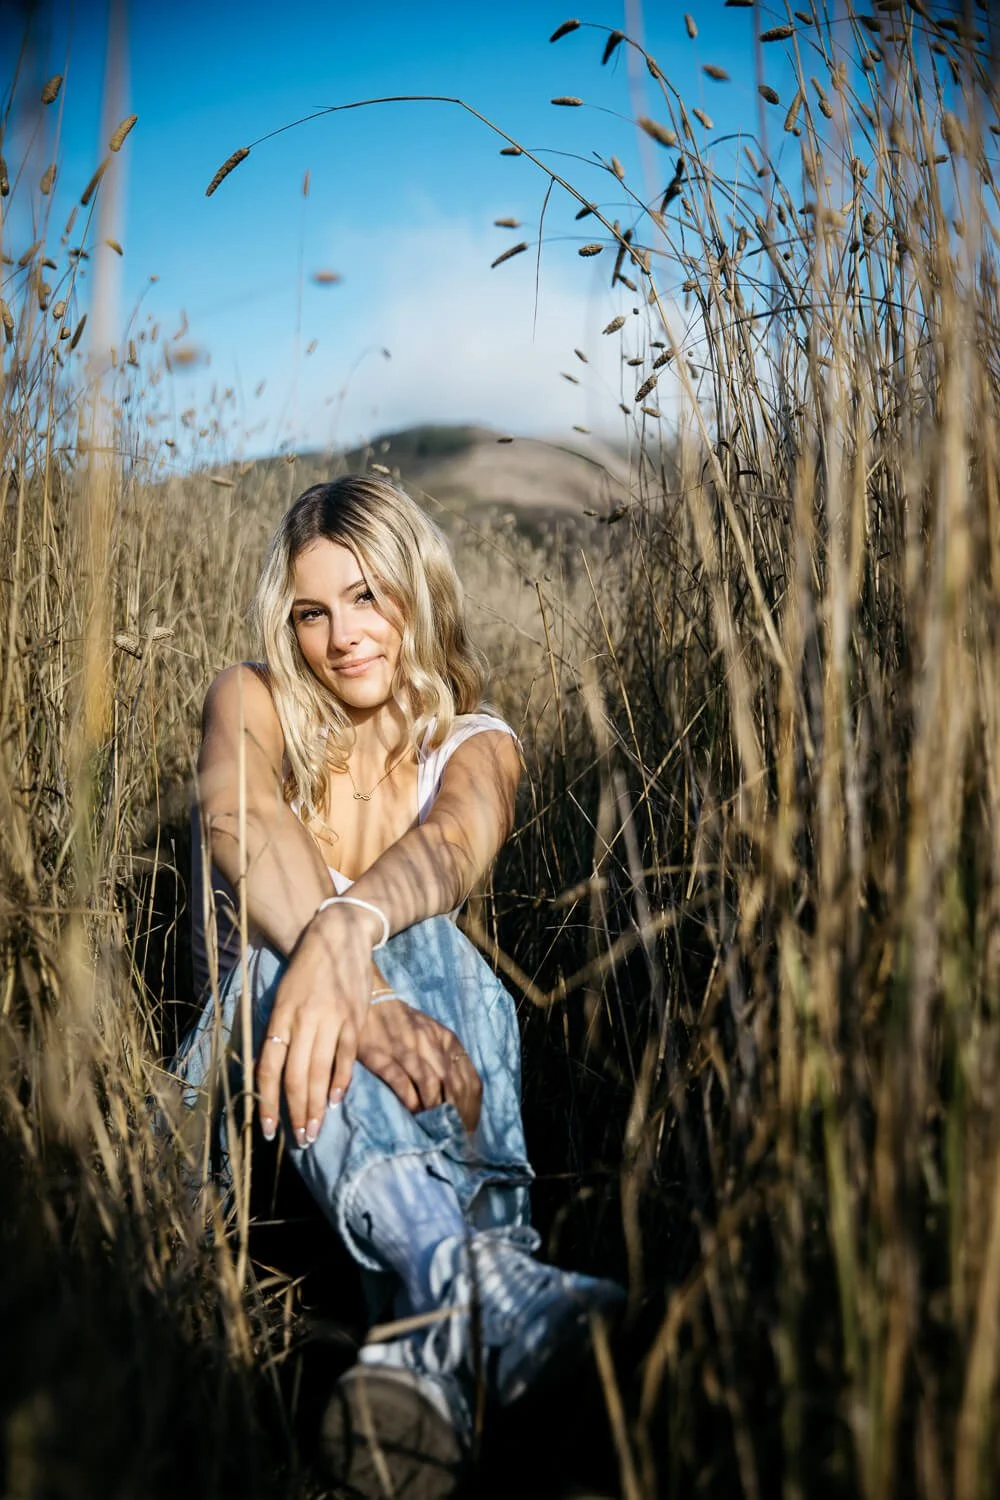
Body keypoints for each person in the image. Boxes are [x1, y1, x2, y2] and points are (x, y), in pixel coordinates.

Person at [174, 476, 623, 1492]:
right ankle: (487, 1276)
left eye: (367, 596)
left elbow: (454, 845)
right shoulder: (248, 697)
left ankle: (428, 1328)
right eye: (313, 611)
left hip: (405, 1104)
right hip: (245, 1103)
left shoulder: (475, 742)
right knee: (286, 958)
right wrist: (356, 984)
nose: (343, 635)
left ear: (415, 593)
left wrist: (359, 934)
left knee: (438, 948)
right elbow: (240, 819)